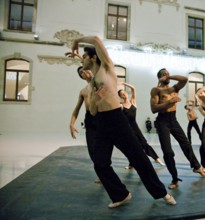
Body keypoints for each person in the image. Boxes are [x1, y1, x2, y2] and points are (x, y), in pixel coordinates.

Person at [70, 36, 176, 208]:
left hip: (117, 120)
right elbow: (94, 111)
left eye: (84, 57)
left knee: (139, 158)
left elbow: (96, 40)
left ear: (93, 57)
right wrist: (96, 99)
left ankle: (161, 192)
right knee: (100, 163)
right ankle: (121, 194)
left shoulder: (107, 68)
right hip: (102, 124)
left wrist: (77, 42)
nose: (82, 61)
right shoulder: (93, 85)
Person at [150, 68, 205, 189]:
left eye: (168, 74)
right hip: (162, 121)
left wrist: (169, 78)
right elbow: (154, 109)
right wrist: (169, 102)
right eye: (164, 74)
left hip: (173, 120)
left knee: (186, 144)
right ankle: (174, 179)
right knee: (168, 152)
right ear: (159, 77)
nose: (167, 75)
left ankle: (196, 167)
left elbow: (184, 79)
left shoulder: (174, 88)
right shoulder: (156, 90)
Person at [117, 82, 165, 168]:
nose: (124, 94)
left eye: (124, 92)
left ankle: (157, 159)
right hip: (127, 130)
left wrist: (123, 83)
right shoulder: (121, 106)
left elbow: (133, 89)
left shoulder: (133, 102)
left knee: (144, 143)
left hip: (135, 127)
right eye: (122, 94)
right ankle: (131, 164)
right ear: (120, 97)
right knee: (131, 147)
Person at [69, 66, 100, 183]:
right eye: (81, 72)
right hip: (90, 120)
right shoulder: (83, 91)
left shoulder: (99, 84)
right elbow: (76, 109)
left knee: (104, 148)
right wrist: (71, 124)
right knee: (92, 149)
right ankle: (102, 174)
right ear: (81, 76)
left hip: (102, 117)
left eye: (85, 69)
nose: (84, 72)